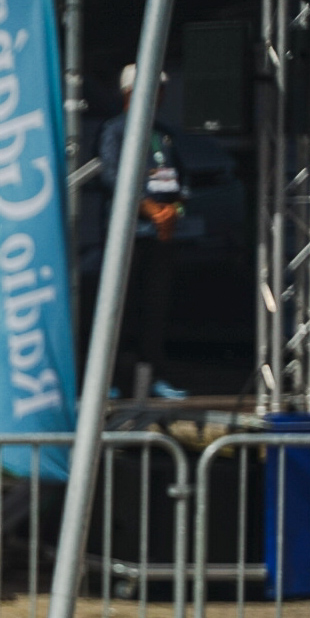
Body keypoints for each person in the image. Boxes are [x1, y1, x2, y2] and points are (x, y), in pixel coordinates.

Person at [98, 62, 188, 400]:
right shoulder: (115, 130)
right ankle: (108, 382)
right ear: (129, 93)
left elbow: (182, 180)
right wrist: (148, 209)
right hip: (127, 235)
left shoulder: (164, 132)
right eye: (153, 88)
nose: (159, 96)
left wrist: (173, 213)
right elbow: (112, 176)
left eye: (162, 89)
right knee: (119, 309)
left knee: (156, 308)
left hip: (161, 236)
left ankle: (153, 378)